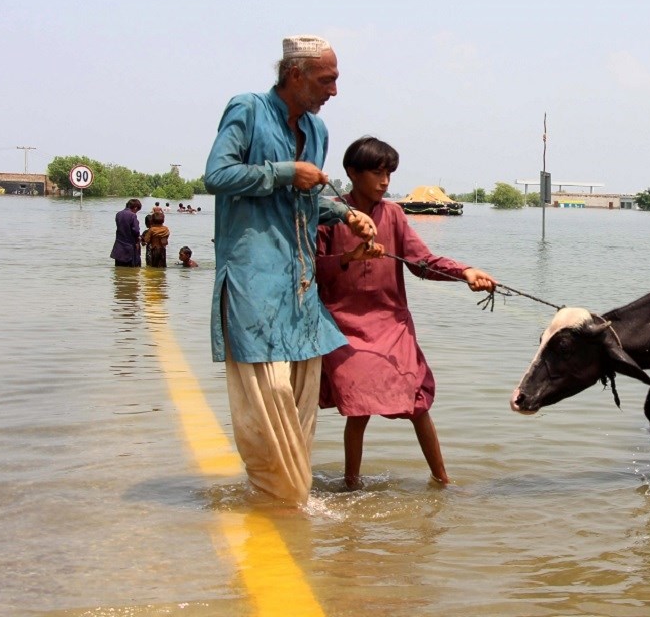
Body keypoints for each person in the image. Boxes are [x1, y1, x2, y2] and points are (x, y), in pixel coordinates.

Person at [204, 34, 377, 504]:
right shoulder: (247, 109)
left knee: (301, 398)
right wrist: (284, 171)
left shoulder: (318, 133)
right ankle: (273, 494)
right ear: (294, 75)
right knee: (268, 396)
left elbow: (303, 202)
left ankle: (289, 501)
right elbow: (216, 176)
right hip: (252, 278)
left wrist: (345, 214)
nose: (334, 91)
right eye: (327, 80)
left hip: (299, 284)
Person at [315, 136, 496, 489]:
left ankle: (443, 481)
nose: (385, 181)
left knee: (418, 404)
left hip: (392, 323)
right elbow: (312, 271)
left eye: (389, 173)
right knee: (359, 408)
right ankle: (351, 484)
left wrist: (465, 273)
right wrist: (350, 259)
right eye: (377, 173)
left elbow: (421, 262)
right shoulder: (329, 214)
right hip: (345, 326)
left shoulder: (394, 214)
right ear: (352, 172)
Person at [110, 198, 142, 267]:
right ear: (135, 208)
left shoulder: (118, 214)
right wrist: (138, 238)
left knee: (119, 271)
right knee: (132, 272)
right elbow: (136, 230)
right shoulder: (132, 215)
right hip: (129, 248)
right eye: (137, 211)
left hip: (118, 248)